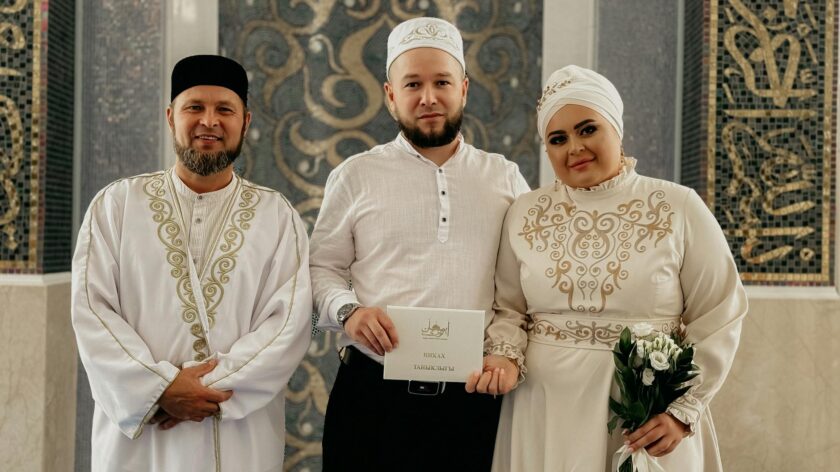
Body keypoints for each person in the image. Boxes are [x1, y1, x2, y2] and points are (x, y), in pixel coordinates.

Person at [469, 65, 748, 471]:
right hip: (544, 410)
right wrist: (505, 356)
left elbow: (720, 312)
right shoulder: (525, 213)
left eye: (588, 129)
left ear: (616, 128)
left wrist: (682, 410)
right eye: (558, 139)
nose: (574, 148)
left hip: (649, 414)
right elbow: (509, 308)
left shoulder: (678, 206)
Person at [71, 54, 312, 471]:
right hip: (141, 443)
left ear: (245, 121)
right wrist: (160, 390)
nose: (209, 121)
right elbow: (92, 311)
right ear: (170, 117)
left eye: (225, 110)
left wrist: (200, 391)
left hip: (237, 435)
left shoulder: (278, 217)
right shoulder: (117, 205)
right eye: (194, 107)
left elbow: (287, 325)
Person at [310, 17, 530, 471]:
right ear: (391, 96)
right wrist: (349, 313)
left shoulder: (505, 178)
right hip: (370, 401)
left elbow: (527, 284)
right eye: (412, 84)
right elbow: (320, 268)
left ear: (463, 89)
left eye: (442, 82)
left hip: (474, 406)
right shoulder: (354, 176)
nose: (428, 97)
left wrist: (507, 354)